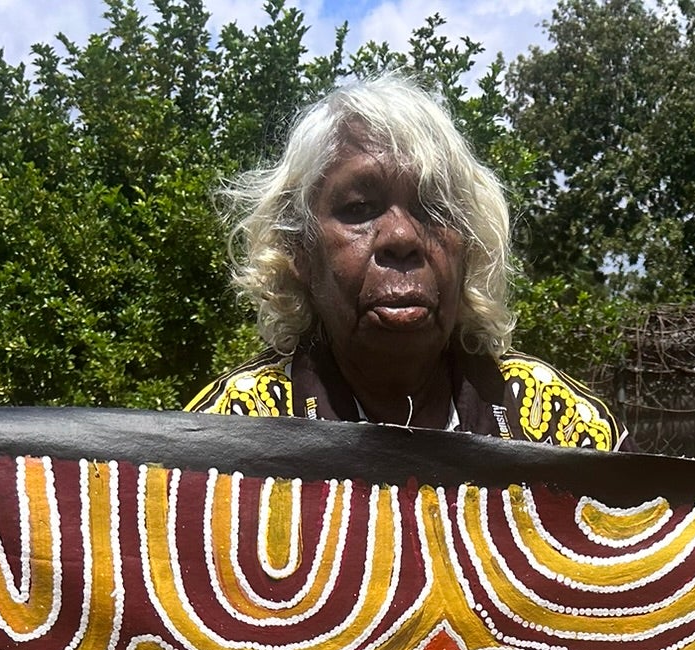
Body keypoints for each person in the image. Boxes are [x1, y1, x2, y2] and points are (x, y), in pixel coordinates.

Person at [185, 75, 625, 450]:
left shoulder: (563, 429)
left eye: (434, 208)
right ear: (299, 248)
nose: (401, 237)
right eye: (359, 208)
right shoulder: (225, 437)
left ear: (468, 244)